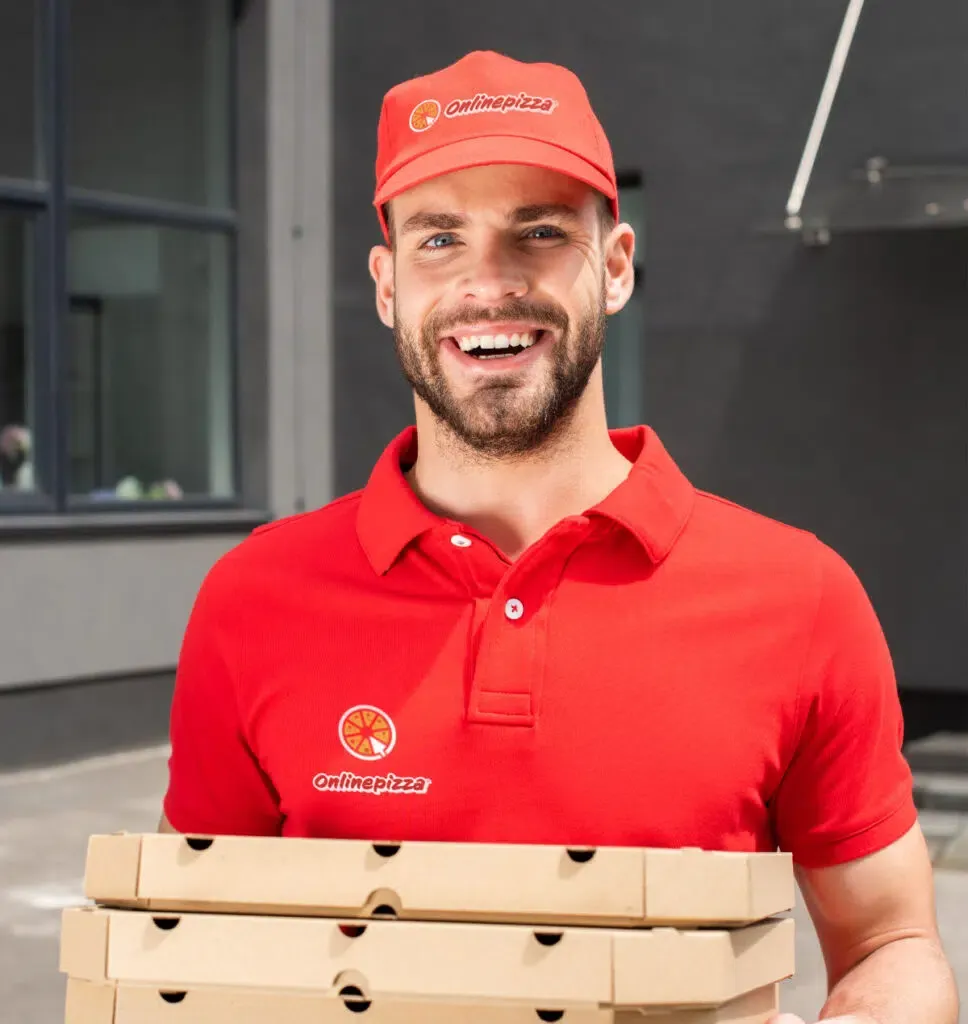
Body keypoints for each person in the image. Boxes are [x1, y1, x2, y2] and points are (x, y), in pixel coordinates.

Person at [159, 50, 957, 1024]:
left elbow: (889, 940)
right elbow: (192, 946)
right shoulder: (254, 600)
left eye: (536, 232)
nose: (488, 283)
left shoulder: (800, 599)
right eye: (439, 239)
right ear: (385, 285)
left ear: (615, 265)